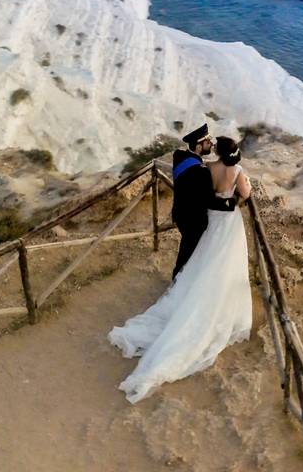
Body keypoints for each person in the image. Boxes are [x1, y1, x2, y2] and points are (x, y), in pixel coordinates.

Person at [108, 136, 253, 403]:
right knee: (225, 262)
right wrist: (243, 188)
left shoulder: (208, 168)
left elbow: (206, 191)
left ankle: (196, 293)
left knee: (205, 259)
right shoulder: (238, 171)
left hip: (212, 220)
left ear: (217, 152)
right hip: (228, 221)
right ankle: (219, 302)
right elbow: (245, 194)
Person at [170, 124, 214, 281]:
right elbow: (210, 200)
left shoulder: (178, 156)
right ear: (198, 146)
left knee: (188, 249)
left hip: (179, 213)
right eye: (208, 142)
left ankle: (186, 279)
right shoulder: (202, 172)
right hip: (194, 220)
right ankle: (177, 282)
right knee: (187, 254)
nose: (212, 144)